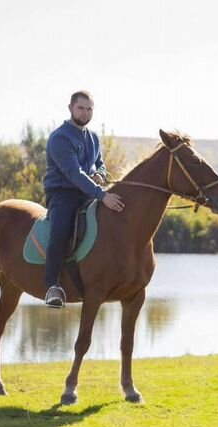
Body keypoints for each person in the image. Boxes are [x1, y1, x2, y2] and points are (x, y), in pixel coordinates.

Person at [43, 90, 125, 308]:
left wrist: (100, 173)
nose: (85, 112)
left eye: (89, 109)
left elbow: (100, 163)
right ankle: (52, 285)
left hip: (88, 193)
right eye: (81, 108)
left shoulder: (93, 137)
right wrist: (102, 194)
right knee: (60, 231)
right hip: (63, 194)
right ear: (71, 108)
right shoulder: (60, 138)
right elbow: (73, 173)